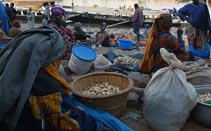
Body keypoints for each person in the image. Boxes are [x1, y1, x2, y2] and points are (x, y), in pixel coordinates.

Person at [0, 26, 133, 131]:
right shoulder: (46, 86)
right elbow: (70, 122)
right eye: (58, 56)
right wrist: (98, 127)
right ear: (49, 58)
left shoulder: (11, 69)